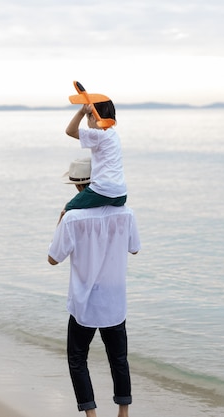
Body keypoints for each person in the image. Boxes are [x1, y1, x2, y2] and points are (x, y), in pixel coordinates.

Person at [48, 158, 141, 417]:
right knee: (118, 359)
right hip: (114, 302)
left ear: (78, 187)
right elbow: (134, 248)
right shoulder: (126, 213)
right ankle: (123, 413)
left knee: (78, 360)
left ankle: (91, 416)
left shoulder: (72, 218)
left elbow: (53, 258)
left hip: (84, 302)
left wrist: (61, 218)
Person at [63, 100, 127, 217]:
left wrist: (81, 112)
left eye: (88, 118)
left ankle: (58, 236)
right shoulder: (113, 135)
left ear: (92, 117)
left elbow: (70, 131)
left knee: (68, 209)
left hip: (103, 190)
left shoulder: (98, 134)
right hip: (121, 193)